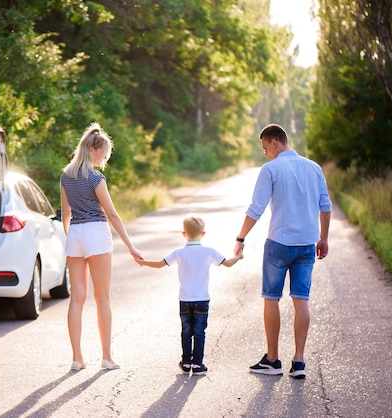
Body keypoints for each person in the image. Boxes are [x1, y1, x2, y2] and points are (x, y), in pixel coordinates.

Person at [235, 123, 331, 379]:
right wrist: (324, 239)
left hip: (279, 244)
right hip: (307, 244)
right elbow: (325, 205)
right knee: (301, 299)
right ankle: (299, 362)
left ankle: (273, 360)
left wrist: (241, 237)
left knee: (271, 298)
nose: (266, 153)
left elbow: (256, 208)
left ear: (274, 142)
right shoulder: (314, 167)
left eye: (265, 148)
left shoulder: (271, 169)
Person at [60, 122, 143, 372]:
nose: (105, 158)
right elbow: (113, 215)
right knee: (103, 298)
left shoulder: (66, 175)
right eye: (104, 153)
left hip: (75, 234)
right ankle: (106, 357)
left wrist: (72, 237)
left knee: (77, 299)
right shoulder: (96, 177)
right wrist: (130, 246)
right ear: (94, 150)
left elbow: (66, 214)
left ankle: (77, 358)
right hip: (96, 234)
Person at [138, 215, 243, 375]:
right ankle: (198, 363)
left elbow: (159, 264)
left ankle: (186, 362)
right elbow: (228, 263)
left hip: (185, 299)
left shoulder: (179, 253)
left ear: (183, 234)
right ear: (203, 233)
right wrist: (238, 256)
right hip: (202, 299)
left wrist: (143, 262)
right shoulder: (209, 251)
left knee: (186, 331)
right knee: (200, 331)